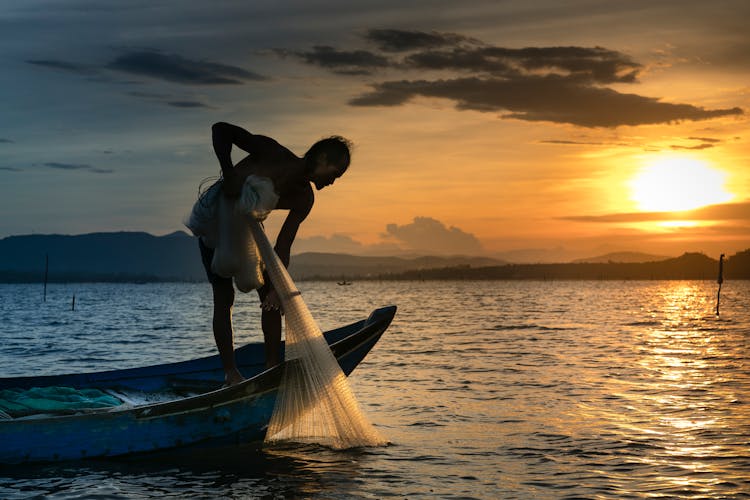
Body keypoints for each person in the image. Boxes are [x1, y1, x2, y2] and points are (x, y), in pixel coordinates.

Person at [193, 122, 351, 386]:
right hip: (216, 221)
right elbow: (220, 129)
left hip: (248, 230)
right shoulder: (272, 153)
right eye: (335, 173)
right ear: (322, 158)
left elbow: (283, 245)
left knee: (271, 293)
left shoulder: (304, 198)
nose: (333, 182)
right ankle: (231, 373)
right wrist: (229, 172)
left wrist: (279, 287)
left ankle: (271, 367)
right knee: (223, 296)